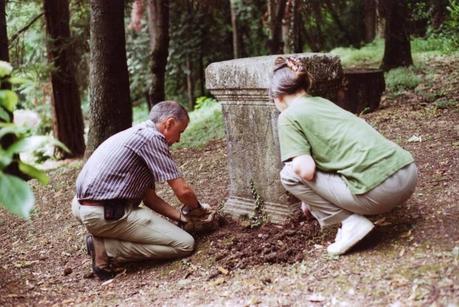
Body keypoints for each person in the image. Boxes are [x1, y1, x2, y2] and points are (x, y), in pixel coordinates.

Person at [270, 56, 418, 256]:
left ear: (278, 97)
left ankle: (351, 224)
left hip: (382, 192)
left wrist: (310, 194)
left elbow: (304, 170)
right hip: (407, 175)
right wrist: (312, 198)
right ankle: (361, 216)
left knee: (289, 173)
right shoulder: (321, 102)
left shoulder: (288, 116)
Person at [72, 101, 208, 280]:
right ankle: (106, 248)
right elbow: (183, 191)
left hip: (83, 206)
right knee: (185, 244)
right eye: (180, 132)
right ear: (169, 123)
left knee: (172, 235)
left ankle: (102, 237)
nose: (179, 139)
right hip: (104, 213)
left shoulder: (137, 134)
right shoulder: (153, 139)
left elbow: (149, 198)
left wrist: (182, 218)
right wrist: (198, 210)